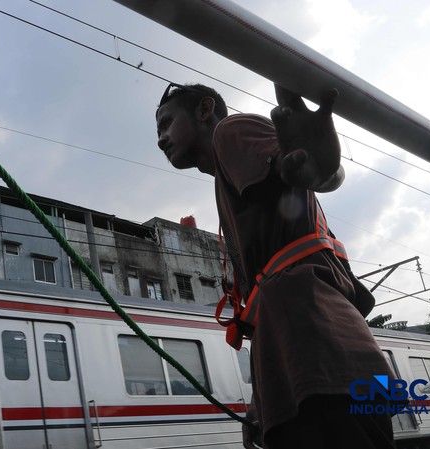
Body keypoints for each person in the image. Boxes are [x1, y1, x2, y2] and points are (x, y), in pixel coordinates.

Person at [155, 82, 396, 449]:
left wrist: (315, 164)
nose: (161, 139)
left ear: (205, 111)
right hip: (325, 361)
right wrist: (261, 406)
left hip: (316, 363)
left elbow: (297, 167)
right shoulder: (231, 178)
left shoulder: (228, 132)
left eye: (166, 123)